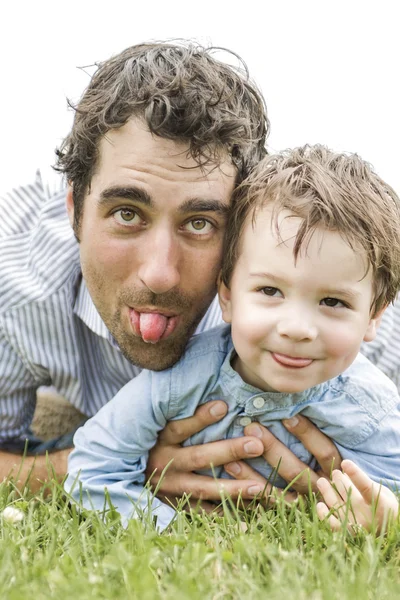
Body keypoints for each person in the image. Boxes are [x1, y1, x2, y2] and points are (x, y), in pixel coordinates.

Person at [0, 40, 342, 502]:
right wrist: (124, 461)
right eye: (126, 213)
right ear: (75, 211)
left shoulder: (314, 281)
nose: (159, 274)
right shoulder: (15, 280)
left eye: (200, 223)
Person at [66, 145, 400, 531]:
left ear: (374, 316)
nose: (297, 328)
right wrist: (171, 532)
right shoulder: (179, 380)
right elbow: (94, 466)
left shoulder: (369, 407)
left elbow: (386, 492)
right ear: (227, 295)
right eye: (270, 291)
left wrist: (376, 520)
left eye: (333, 301)